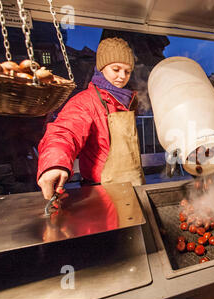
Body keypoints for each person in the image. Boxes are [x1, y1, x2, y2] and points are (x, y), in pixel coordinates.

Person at [37, 37, 145, 200]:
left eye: (127, 71)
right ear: (101, 68)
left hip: (134, 187)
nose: (122, 76)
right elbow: (64, 132)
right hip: (102, 193)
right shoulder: (86, 101)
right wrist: (54, 164)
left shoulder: (126, 101)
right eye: (116, 69)